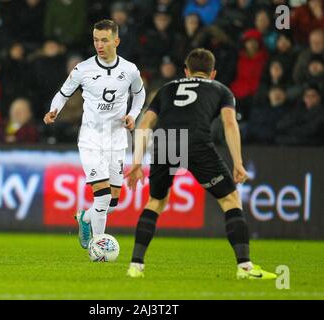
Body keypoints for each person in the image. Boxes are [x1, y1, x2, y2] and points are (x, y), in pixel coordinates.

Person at [125, 48, 276, 280]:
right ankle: (245, 267)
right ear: (212, 73)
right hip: (196, 141)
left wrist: (136, 162)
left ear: (186, 72)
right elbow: (229, 123)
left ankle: (136, 266)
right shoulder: (221, 90)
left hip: (166, 140)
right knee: (229, 199)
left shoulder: (167, 88)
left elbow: (145, 124)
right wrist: (238, 162)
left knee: (156, 201)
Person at [43, 20, 146, 249]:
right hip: (91, 139)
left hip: (117, 139)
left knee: (112, 203)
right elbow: (62, 94)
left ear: (116, 41)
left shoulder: (129, 70)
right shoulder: (83, 69)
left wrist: (133, 114)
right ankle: (99, 246)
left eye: (104, 40)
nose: (99, 45)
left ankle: (84, 218)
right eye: (96, 40)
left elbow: (140, 95)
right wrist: (54, 110)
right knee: (102, 197)